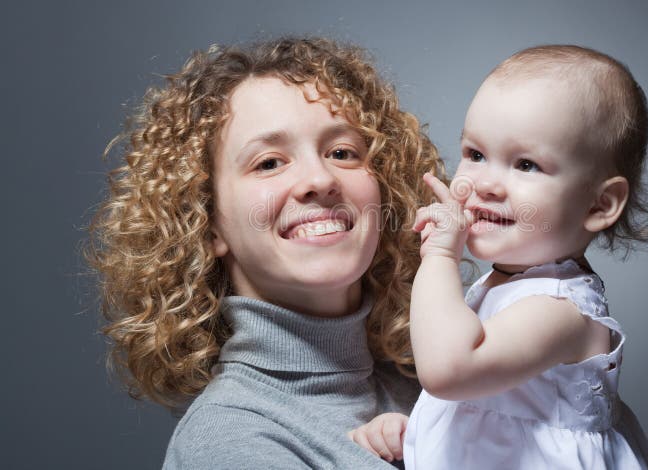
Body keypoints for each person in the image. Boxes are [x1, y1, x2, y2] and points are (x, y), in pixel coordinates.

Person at [86, 37, 444, 469]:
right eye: (269, 163)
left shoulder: (438, 387)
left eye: (342, 152)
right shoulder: (231, 441)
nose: (319, 177)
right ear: (208, 222)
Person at [352, 45, 648, 468]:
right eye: (476, 155)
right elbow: (486, 413)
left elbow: (449, 371)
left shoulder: (559, 311)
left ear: (599, 204)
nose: (485, 184)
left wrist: (440, 256)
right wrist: (415, 431)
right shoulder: (508, 286)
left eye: (526, 165)